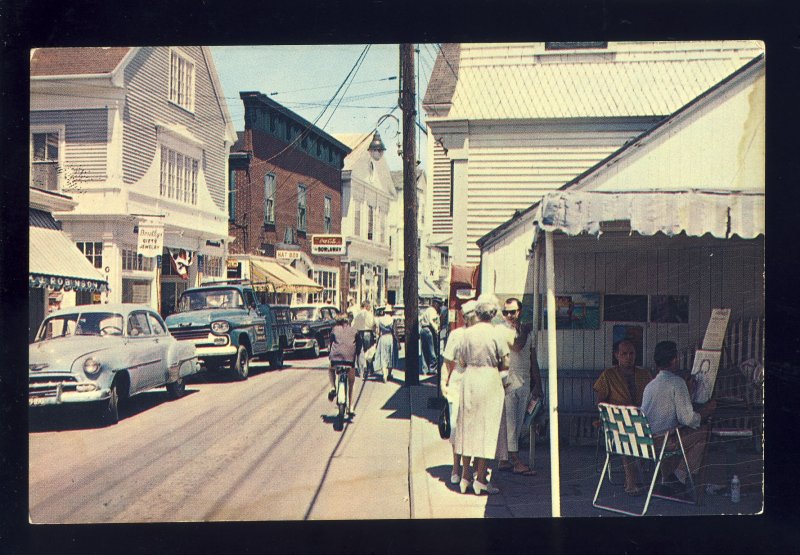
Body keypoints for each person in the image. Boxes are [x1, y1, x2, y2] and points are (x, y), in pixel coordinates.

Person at [641, 341, 716, 496]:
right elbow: (688, 419)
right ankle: (678, 477)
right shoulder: (677, 383)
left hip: (646, 441)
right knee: (704, 434)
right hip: (664, 443)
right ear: (674, 360)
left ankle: (667, 479)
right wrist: (706, 411)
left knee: (683, 433)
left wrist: (687, 392)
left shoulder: (650, 385)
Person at [451, 299, 510, 495]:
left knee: (467, 426)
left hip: (470, 379)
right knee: (487, 428)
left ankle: (465, 476)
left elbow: (461, 360)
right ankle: (481, 478)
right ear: (492, 314)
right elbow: (505, 361)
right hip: (489, 379)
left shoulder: (466, 333)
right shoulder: (496, 333)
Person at [593, 339, 653, 495]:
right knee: (626, 436)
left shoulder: (644, 374)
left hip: (642, 420)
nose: (628, 357)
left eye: (631, 353)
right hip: (617, 422)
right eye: (624, 354)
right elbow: (600, 403)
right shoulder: (608, 375)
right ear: (616, 355)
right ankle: (631, 482)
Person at [496, 297, 541, 477]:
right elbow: (517, 346)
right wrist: (525, 330)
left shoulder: (527, 332)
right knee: (510, 423)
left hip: (524, 380)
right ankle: (514, 459)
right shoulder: (502, 331)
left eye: (512, 312)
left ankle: (505, 458)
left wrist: (538, 384)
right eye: (505, 312)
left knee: (519, 421)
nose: (509, 316)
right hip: (507, 381)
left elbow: (532, 359)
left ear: (519, 312)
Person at [442, 300, 478, 485]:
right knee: (456, 427)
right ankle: (456, 467)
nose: (471, 319)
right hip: (457, 386)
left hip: (477, 386)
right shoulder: (456, 335)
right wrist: (444, 384)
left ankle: (468, 469)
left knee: (474, 429)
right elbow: (448, 362)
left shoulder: (482, 335)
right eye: (468, 316)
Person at [327, 312, 362, 418]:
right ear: (348, 321)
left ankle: (333, 387)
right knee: (351, 383)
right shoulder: (354, 331)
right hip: (349, 361)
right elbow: (359, 346)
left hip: (336, 360)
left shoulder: (334, 330)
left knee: (330, 369)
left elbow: (331, 343)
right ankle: (350, 407)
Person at [373, 305, 398, 382]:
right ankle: (389, 373)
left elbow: (378, 332)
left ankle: (384, 374)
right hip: (390, 337)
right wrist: (398, 342)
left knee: (383, 356)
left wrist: (377, 342)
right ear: (390, 312)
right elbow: (394, 332)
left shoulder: (380, 320)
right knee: (390, 355)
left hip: (382, 337)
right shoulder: (393, 320)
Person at [352, 300, 376, 377]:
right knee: (368, 351)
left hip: (359, 333)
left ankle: (360, 371)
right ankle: (369, 369)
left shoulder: (357, 315)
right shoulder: (369, 314)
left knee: (359, 352)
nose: (370, 308)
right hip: (368, 333)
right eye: (369, 306)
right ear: (366, 306)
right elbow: (373, 323)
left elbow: (353, 325)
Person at [419, 300, 440, 375]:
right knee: (432, 350)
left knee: (424, 351)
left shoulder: (426, 310)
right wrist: (436, 330)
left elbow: (420, 319)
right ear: (436, 304)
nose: (439, 307)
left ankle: (425, 369)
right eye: (438, 305)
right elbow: (431, 321)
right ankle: (432, 369)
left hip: (423, 329)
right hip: (429, 330)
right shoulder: (432, 311)